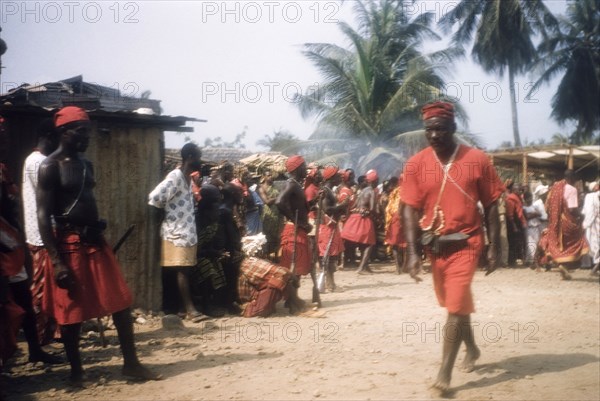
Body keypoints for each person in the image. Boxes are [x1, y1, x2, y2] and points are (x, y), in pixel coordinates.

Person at [37, 106, 160, 383]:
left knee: (121, 301)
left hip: (95, 240)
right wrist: (56, 261)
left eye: (88, 132)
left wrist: (97, 222)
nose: (87, 138)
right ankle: (76, 371)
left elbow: (83, 203)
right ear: (63, 132)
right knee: (72, 310)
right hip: (69, 245)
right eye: (81, 132)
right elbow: (43, 216)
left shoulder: (86, 165)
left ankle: (131, 363)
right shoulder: (49, 167)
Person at [401, 101, 504, 395]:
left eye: (441, 129)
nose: (434, 135)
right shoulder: (416, 164)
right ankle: (471, 348)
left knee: (456, 304)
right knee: (454, 306)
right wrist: (411, 252)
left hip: (467, 243)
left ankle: (444, 374)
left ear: (454, 129)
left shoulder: (477, 159)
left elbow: (493, 204)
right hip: (435, 246)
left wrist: (495, 246)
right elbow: (408, 209)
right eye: (429, 130)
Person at [148, 143, 207, 322]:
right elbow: (155, 197)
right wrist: (163, 217)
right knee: (182, 270)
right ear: (189, 157)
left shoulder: (188, 179)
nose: (200, 161)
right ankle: (190, 309)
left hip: (186, 233)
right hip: (176, 233)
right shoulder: (175, 176)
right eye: (198, 156)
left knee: (184, 270)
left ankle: (182, 310)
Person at [21, 118, 60, 346]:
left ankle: (48, 333)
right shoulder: (40, 162)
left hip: (39, 231)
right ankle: (38, 335)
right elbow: (49, 201)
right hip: (42, 233)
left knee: (48, 286)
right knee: (41, 287)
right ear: (50, 137)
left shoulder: (34, 160)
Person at [538, 170, 590, 280]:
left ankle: (563, 266)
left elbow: (547, 207)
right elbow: (572, 209)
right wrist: (581, 215)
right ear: (572, 178)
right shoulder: (572, 190)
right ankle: (565, 265)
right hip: (568, 223)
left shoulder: (555, 188)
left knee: (561, 246)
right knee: (578, 241)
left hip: (555, 224)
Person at [276, 155, 312, 279]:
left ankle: (293, 297)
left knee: (297, 266)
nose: (306, 169)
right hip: (294, 230)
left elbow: (300, 207)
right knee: (292, 267)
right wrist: (296, 221)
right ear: (297, 168)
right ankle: (291, 297)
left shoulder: (296, 185)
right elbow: (279, 202)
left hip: (299, 229)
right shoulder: (291, 184)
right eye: (304, 166)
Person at [341, 169, 379, 274]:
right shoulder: (371, 191)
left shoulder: (362, 190)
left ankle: (366, 266)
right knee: (370, 244)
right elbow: (372, 208)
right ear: (375, 181)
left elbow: (353, 206)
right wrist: (377, 216)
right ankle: (362, 268)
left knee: (364, 244)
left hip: (354, 217)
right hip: (364, 219)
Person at [317, 165, 348, 291]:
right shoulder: (325, 191)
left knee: (330, 257)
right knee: (328, 257)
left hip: (330, 227)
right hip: (327, 228)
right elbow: (326, 209)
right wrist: (342, 206)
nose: (340, 176)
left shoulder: (328, 190)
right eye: (337, 175)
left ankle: (328, 284)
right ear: (331, 177)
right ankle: (330, 285)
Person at [385, 175, 406, 274]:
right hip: (403, 218)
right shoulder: (405, 190)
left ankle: (398, 268)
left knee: (394, 243)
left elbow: (397, 204)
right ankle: (402, 266)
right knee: (403, 243)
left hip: (395, 217)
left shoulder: (396, 191)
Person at [258, 170, 282, 258]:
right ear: (264, 177)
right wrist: (279, 197)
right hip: (268, 215)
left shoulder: (275, 187)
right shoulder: (261, 188)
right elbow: (267, 201)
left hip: (278, 214)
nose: (270, 177)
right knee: (268, 235)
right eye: (268, 175)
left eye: (271, 175)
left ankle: (276, 255)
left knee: (277, 235)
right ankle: (267, 255)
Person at [505, 179, 526, 267]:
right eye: (518, 189)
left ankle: (515, 259)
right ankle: (511, 261)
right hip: (513, 223)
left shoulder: (518, 198)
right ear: (513, 189)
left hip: (518, 222)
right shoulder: (511, 199)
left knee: (518, 242)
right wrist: (514, 226)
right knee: (513, 242)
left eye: (520, 189)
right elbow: (510, 214)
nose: (520, 191)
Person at [582, 181, 599, 275]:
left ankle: (594, 268)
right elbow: (588, 212)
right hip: (593, 224)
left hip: (592, 223)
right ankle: (594, 269)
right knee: (595, 246)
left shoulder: (589, 197)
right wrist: (586, 223)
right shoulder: (591, 197)